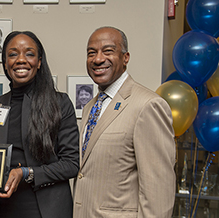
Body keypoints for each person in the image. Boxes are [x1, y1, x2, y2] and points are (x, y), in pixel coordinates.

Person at [73, 26, 176, 217]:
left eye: (108, 51)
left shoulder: (148, 106)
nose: (98, 59)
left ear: (125, 57)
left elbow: (158, 193)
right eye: (91, 53)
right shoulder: (90, 108)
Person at [0, 31, 79, 218]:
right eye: (13, 54)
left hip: (47, 209)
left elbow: (71, 163)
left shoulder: (59, 103)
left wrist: (27, 173)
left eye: (29, 53)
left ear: (39, 61)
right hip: (2, 207)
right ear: (5, 63)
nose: (21, 60)